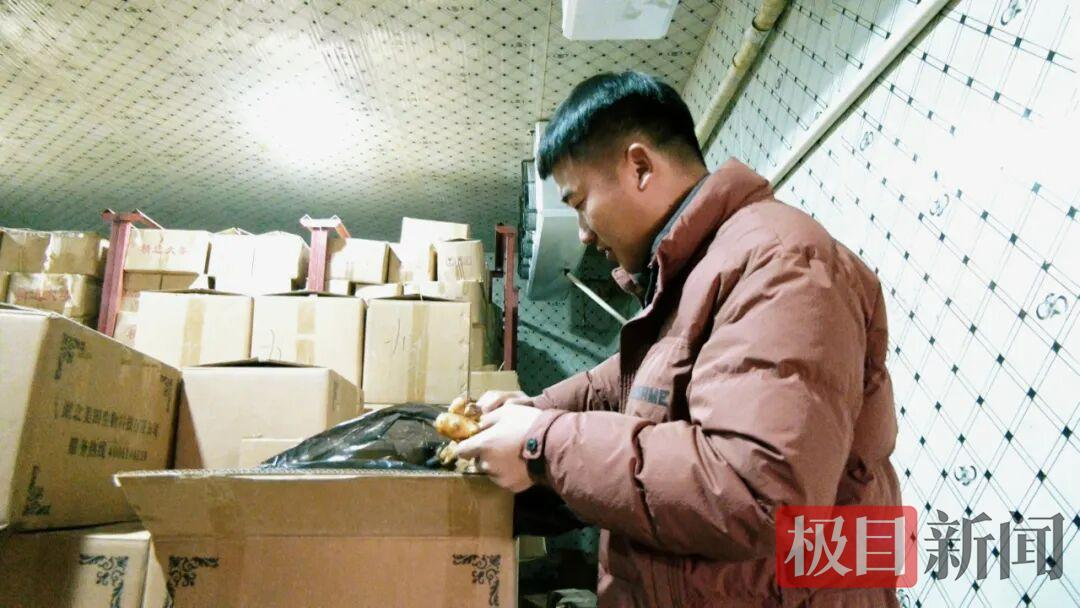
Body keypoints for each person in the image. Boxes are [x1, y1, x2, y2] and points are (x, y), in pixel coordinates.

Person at [456, 71, 902, 607]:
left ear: (640, 167)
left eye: (579, 202)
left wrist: (542, 444)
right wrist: (533, 411)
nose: (584, 233)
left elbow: (757, 491)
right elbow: (621, 386)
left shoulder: (783, 262)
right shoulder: (696, 277)